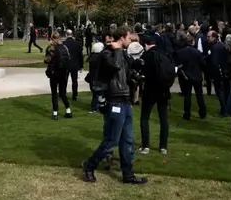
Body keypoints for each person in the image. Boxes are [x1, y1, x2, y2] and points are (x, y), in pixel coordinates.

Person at [81, 25, 147, 185]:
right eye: (129, 37)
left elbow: (128, 69)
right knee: (112, 140)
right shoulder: (107, 53)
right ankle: (89, 165)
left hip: (125, 99)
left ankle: (128, 174)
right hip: (114, 100)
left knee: (127, 140)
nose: (131, 41)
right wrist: (117, 49)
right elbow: (115, 66)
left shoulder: (122, 53)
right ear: (122, 37)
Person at [137, 33, 170, 155]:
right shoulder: (164, 54)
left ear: (145, 45)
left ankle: (145, 145)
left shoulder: (146, 56)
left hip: (150, 89)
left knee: (145, 117)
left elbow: (141, 72)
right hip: (163, 90)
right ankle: (163, 146)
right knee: (163, 118)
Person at [174, 33, 207, 120]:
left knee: (187, 95)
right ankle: (202, 112)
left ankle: (187, 113)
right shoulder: (197, 52)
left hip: (186, 76)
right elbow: (203, 64)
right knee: (199, 95)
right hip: (196, 75)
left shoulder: (180, 52)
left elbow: (177, 64)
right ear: (193, 42)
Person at [44, 31, 73, 120]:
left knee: (54, 93)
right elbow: (68, 58)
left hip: (54, 72)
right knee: (62, 93)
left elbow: (47, 60)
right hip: (64, 72)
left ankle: (55, 113)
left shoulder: (51, 48)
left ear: (52, 38)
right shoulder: (64, 47)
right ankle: (68, 110)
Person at [63, 29, 84, 101]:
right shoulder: (77, 43)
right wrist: (81, 66)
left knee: (64, 80)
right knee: (74, 81)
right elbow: (80, 55)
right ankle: (74, 95)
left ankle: (63, 93)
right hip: (75, 64)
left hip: (66, 64)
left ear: (66, 35)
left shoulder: (64, 43)